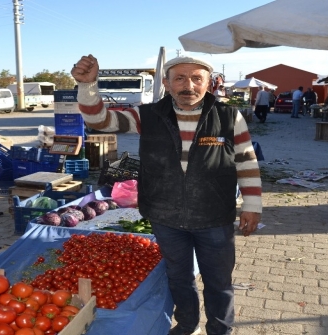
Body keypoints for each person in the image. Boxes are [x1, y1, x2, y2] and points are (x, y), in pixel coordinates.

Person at [72, 54, 262, 335]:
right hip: (165, 216)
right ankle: (186, 326)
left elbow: (246, 162)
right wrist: (88, 86)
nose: (189, 85)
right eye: (180, 78)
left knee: (219, 282)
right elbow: (99, 120)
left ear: (209, 83)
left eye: (197, 78)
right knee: (179, 278)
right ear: (167, 83)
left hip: (214, 216)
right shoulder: (146, 115)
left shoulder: (229, 116)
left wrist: (253, 205)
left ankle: (220, 330)